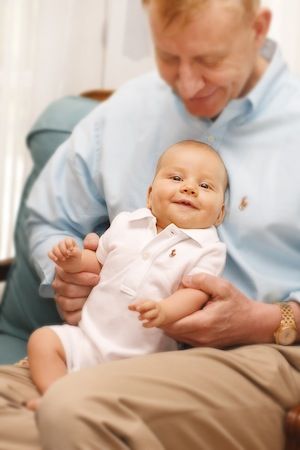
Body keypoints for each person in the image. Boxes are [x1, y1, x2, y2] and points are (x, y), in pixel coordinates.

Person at [1, 0, 300, 449]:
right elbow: (50, 218)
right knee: (57, 416)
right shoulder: (128, 110)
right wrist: (67, 274)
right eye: (168, 57)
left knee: (71, 412)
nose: (187, 83)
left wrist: (265, 320)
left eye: (209, 60)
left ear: (257, 29)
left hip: (259, 356)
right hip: (101, 345)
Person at [26, 140, 227, 409]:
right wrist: (74, 260)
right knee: (43, 341)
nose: (189, 188)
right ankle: (55, 397)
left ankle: (83, 404)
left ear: (220, 213)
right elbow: (97, 266)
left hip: (145, 360)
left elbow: (195, 292)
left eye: (205, 186)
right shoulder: (126, 224)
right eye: (176, 177)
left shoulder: (207, 249)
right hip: (87, 341)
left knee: (162, 392)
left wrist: (165, 310)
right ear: (149, 194)